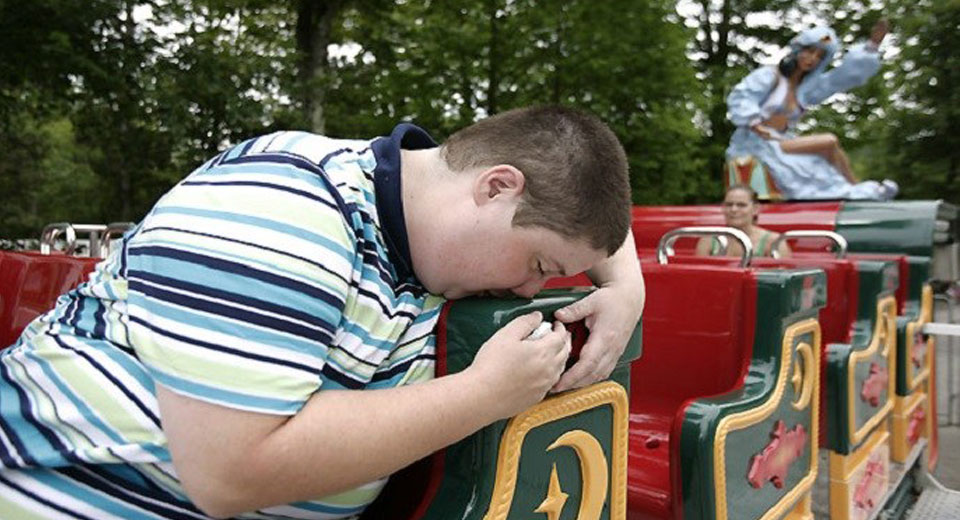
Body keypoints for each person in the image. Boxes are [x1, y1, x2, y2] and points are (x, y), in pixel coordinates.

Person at [0, 106, 645, 519]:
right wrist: (484, 393)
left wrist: (627, 287)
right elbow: (228, 475)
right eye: (538, 266)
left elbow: (572, 168)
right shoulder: (286, 206)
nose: (531, 292)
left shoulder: (435, 240)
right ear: (495, 186)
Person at [726, 20, 899, 200]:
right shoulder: (769, 75)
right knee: (829, 141)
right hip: (756, 142)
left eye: (819, 56)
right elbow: (742, 96)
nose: (812, 59)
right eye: (809, 51)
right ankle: (855, 187)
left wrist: (872, 46)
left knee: (827, 150)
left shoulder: (806, 89)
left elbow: (839, 79)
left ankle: (854, 189)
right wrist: (754, 123)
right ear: (798, 50)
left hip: (780, 140)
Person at [696, 184, 791, 258]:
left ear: (755, 209)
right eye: (729, 204)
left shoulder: (773, 242)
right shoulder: (709, 240)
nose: (734, 209)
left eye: (741, 205)